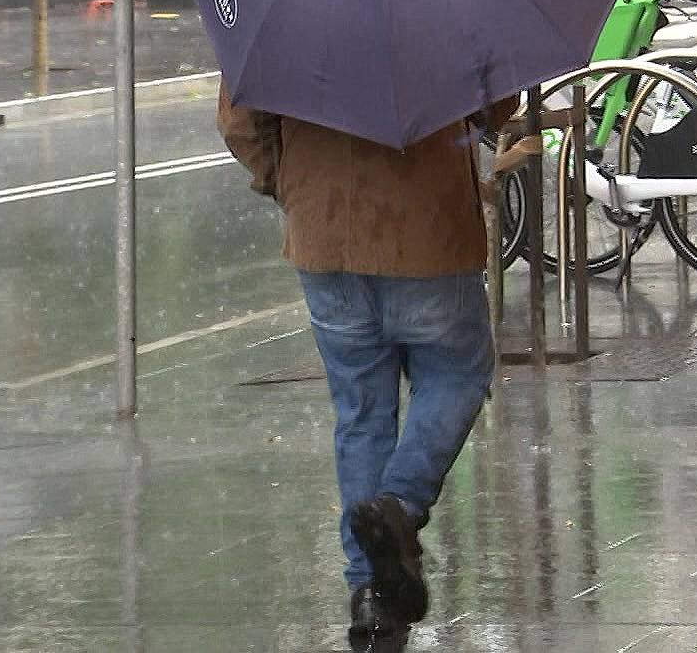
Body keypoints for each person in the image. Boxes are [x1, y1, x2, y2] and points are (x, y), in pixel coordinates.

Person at [218, 88, 518, 652]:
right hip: (428, 225)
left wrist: (289, 183)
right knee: (456, 374)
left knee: (360, 412)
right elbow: (490, 104)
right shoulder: (441, 2)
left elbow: (240, 120)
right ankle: (399, 507)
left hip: (324, 230)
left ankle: (370, 596)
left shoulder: (288, 8)